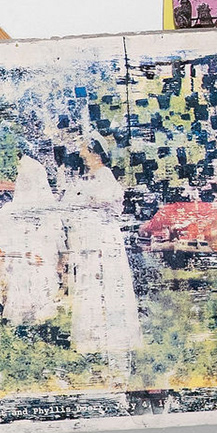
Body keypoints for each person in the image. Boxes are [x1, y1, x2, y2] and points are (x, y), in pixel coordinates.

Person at [61, 141, 143, 367]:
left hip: (104, 238)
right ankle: (92, 336)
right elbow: (69, 203)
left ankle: (113, 335)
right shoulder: (83, 179)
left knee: (108, 281)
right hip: (87, 237)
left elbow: (104, 201)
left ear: (96, 153)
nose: (81, 154)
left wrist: (84, 202)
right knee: (90, 283)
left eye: (85, 150)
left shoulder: (105, 176)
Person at [0, 156, 63, 327]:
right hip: (19, 272)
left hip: (40, 275)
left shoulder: (47, 214)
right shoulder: (7, 212)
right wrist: (23, 255)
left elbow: (53, 244)